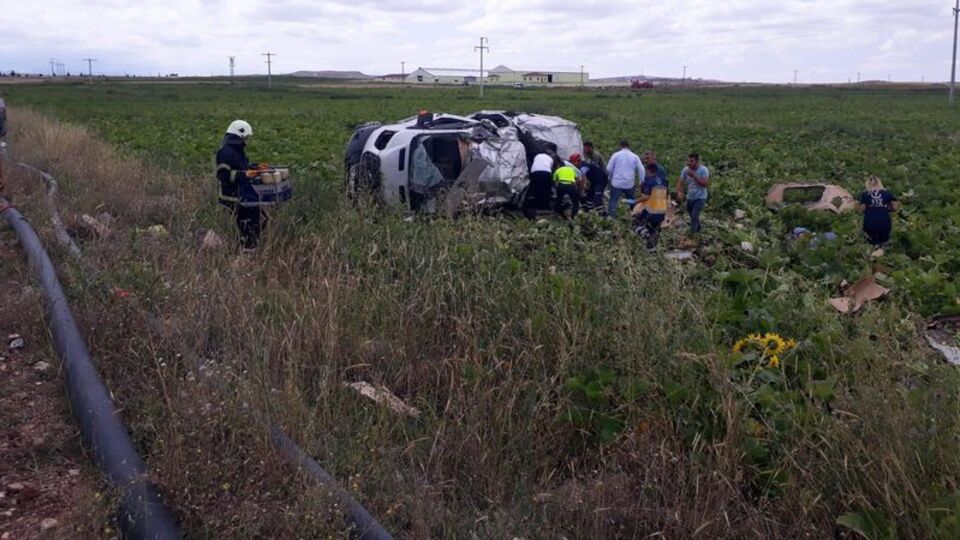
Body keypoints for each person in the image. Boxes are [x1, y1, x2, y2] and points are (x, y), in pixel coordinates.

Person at [216, 119, 262, 249]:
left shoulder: (237, 150)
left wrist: (255, 168)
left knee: (259, 219)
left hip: (244, 194)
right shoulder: (225, 152)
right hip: (232, 196)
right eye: (246, 137)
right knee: (247, 224)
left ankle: (251, 247)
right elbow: (222, 174)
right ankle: (247, 250)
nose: (247, 140)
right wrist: (244, 175)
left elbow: (241, 167)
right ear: (239, 135)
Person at [632, 162, 670, 250]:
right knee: (655, 230)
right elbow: (666, 195)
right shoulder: (664, 181)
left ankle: (647, 239)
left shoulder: (650, 181)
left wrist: (634, 201)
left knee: (638, 222)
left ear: (648, 171)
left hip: (651, 210)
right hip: (661, 210)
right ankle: (652, 248)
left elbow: (646, 196)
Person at [859, 176, 899, 252]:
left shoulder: (865, 194)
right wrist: (885, 208)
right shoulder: (887, 193)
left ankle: (872, 257)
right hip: (884, 221)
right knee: (883, 243)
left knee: (871, 244)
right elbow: (895, 207)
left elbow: (862, 209)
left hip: (870, 221)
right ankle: (882, 255)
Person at [606, 140, 644, 218]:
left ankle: (611, 218)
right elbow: (641, 169)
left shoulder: (616, 155)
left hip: (617, 183)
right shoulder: (634, 156)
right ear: (628, 146)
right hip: (629, 183)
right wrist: (641, 181)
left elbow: (609, 168)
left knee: (613, 201)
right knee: (632, 201)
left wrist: (610, 178)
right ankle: (635, 216)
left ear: (620, 146)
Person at [676, 153, 710, 235]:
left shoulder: (704, 170)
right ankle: (699, 229)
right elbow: (680, 182)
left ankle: (692, 235)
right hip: (690, 197)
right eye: (688, 161)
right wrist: (679, 192)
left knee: (694, 215)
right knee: (692, 215)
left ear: (697, 161)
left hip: (700, 197)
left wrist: (693, 175)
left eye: (691, 161)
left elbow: (705, 184)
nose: (689, 163)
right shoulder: (685, 170)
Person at [525, 150, 555, 218]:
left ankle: (536, 206)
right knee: (546, 190)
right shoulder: (550, 158)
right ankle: (544, 207)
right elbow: (551, 168)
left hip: (534, 172)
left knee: (536, 189)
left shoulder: (537, 156)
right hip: (546, 172)